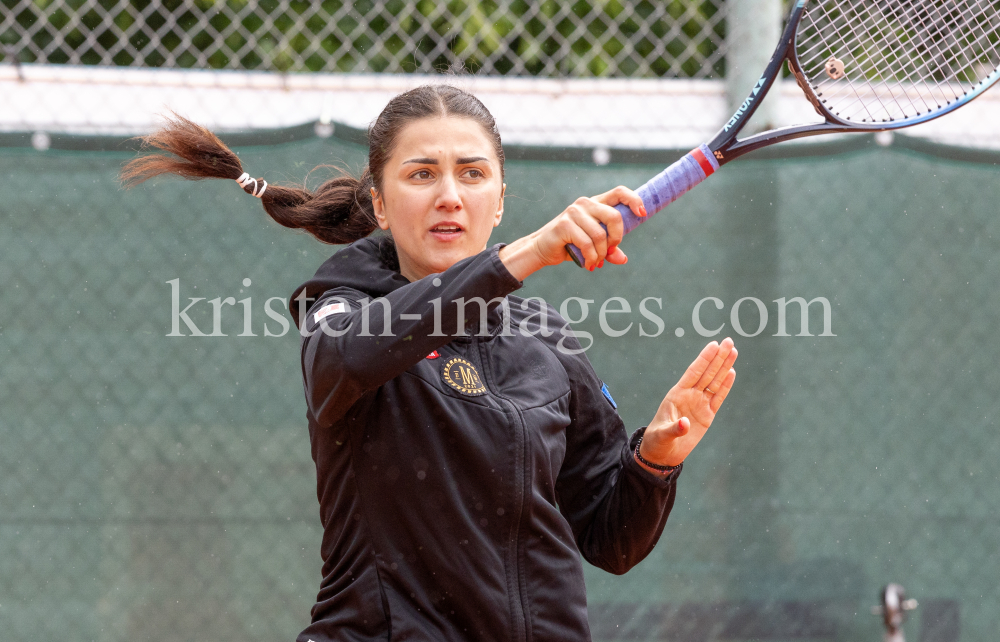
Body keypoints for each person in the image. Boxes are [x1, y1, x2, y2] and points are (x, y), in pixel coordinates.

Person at [121, 84, 737, 642]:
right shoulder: (341, 312)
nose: (449, 196)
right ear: (380, 204)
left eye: (472, 173)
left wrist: (656, 456)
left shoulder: (547, 340)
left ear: (498, 200)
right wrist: (522, 255)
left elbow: (610, 539)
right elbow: (348, 356)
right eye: (421, 174)